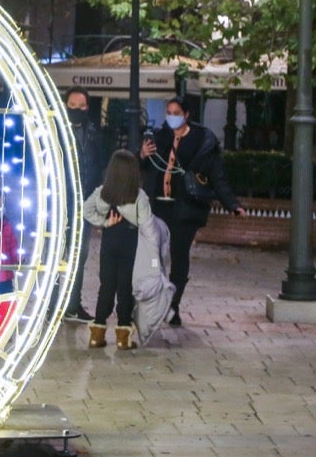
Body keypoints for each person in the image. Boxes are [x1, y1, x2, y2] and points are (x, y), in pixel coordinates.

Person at [140, 96, 246, 326]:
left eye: (176, 112)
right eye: (169, 112)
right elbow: (146, 169)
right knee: (153, 257)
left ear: (186, 115)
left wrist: (232, 204)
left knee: (179, 256)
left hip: (185, 208)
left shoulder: (201, 140)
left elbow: (217, 175)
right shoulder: (160, 137)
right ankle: (156, 302)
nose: (171, 116)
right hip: (158, 206)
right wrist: (143, 156)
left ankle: (173, 306)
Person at [82, 150, 153, 350]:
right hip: (130, 245)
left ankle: (97, 333)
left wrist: (103, 222)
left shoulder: (103, 192)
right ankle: (123, 335)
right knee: (125, 288)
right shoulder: (139, 196)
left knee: (106, 286)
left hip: (109, 243)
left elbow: (85, 209)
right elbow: (147, 224)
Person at [63, 89, 108, 322]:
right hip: (60, 203)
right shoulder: (55, 130)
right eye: (73, 105)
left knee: (79, 256)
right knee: (58, 255)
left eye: (81, 107)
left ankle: (72, 303)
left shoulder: (93, 133)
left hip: (84, 203)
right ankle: (53, 304)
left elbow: (101, 165)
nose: (77, 110)